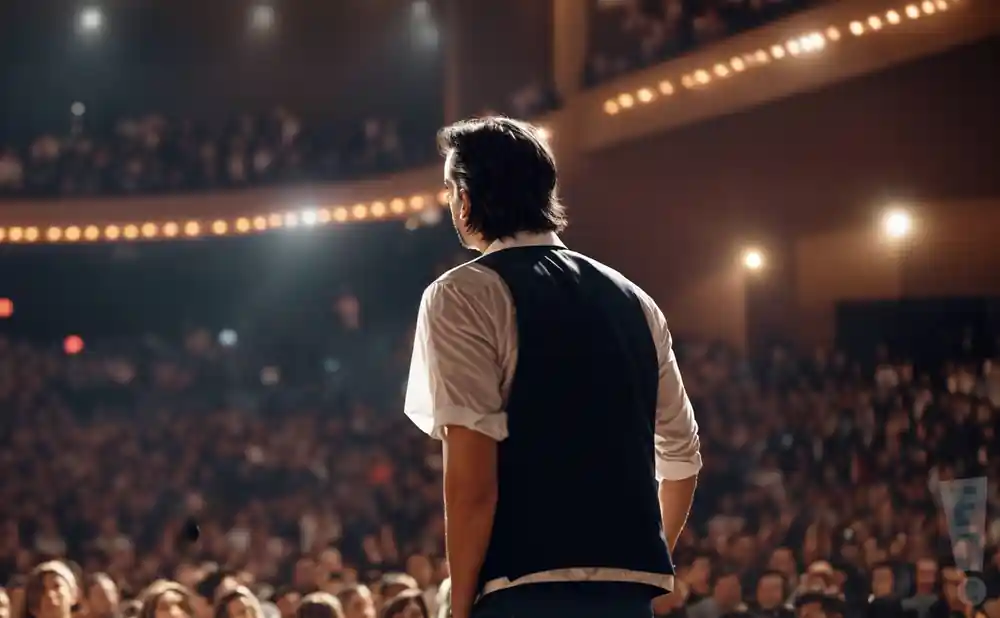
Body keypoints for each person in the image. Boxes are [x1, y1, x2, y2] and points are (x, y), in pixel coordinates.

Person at [404, 116, 702, 618]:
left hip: (521, 589)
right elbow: (683, 459)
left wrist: (458, 608)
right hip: (627, 597)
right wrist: (647, 560)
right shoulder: (637, 300)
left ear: (467, 198)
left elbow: (472, 478)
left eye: (452, 190)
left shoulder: (460, 294)